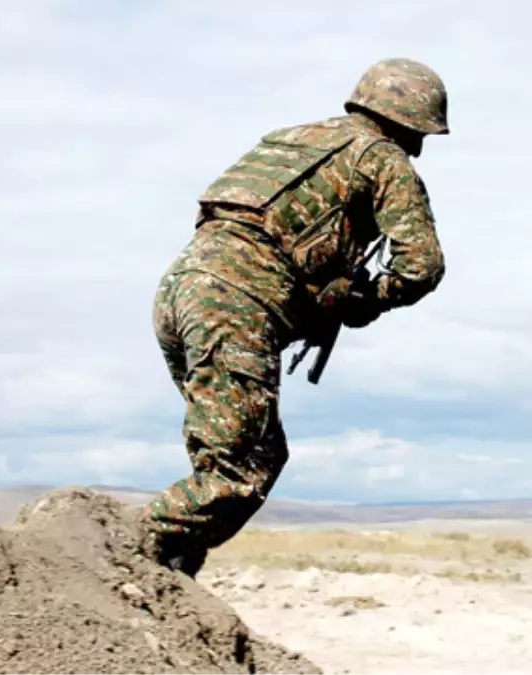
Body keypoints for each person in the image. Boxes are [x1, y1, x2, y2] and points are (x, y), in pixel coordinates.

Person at [137, 58, 450, 577]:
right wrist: (364, 301)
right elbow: (421, 265)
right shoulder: (382, 159)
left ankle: (165, 582)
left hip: (181, 289)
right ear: (416, 123)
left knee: (235, 455)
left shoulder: (289, 139)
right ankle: (119, 548)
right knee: (242, 468)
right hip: (235, 306)